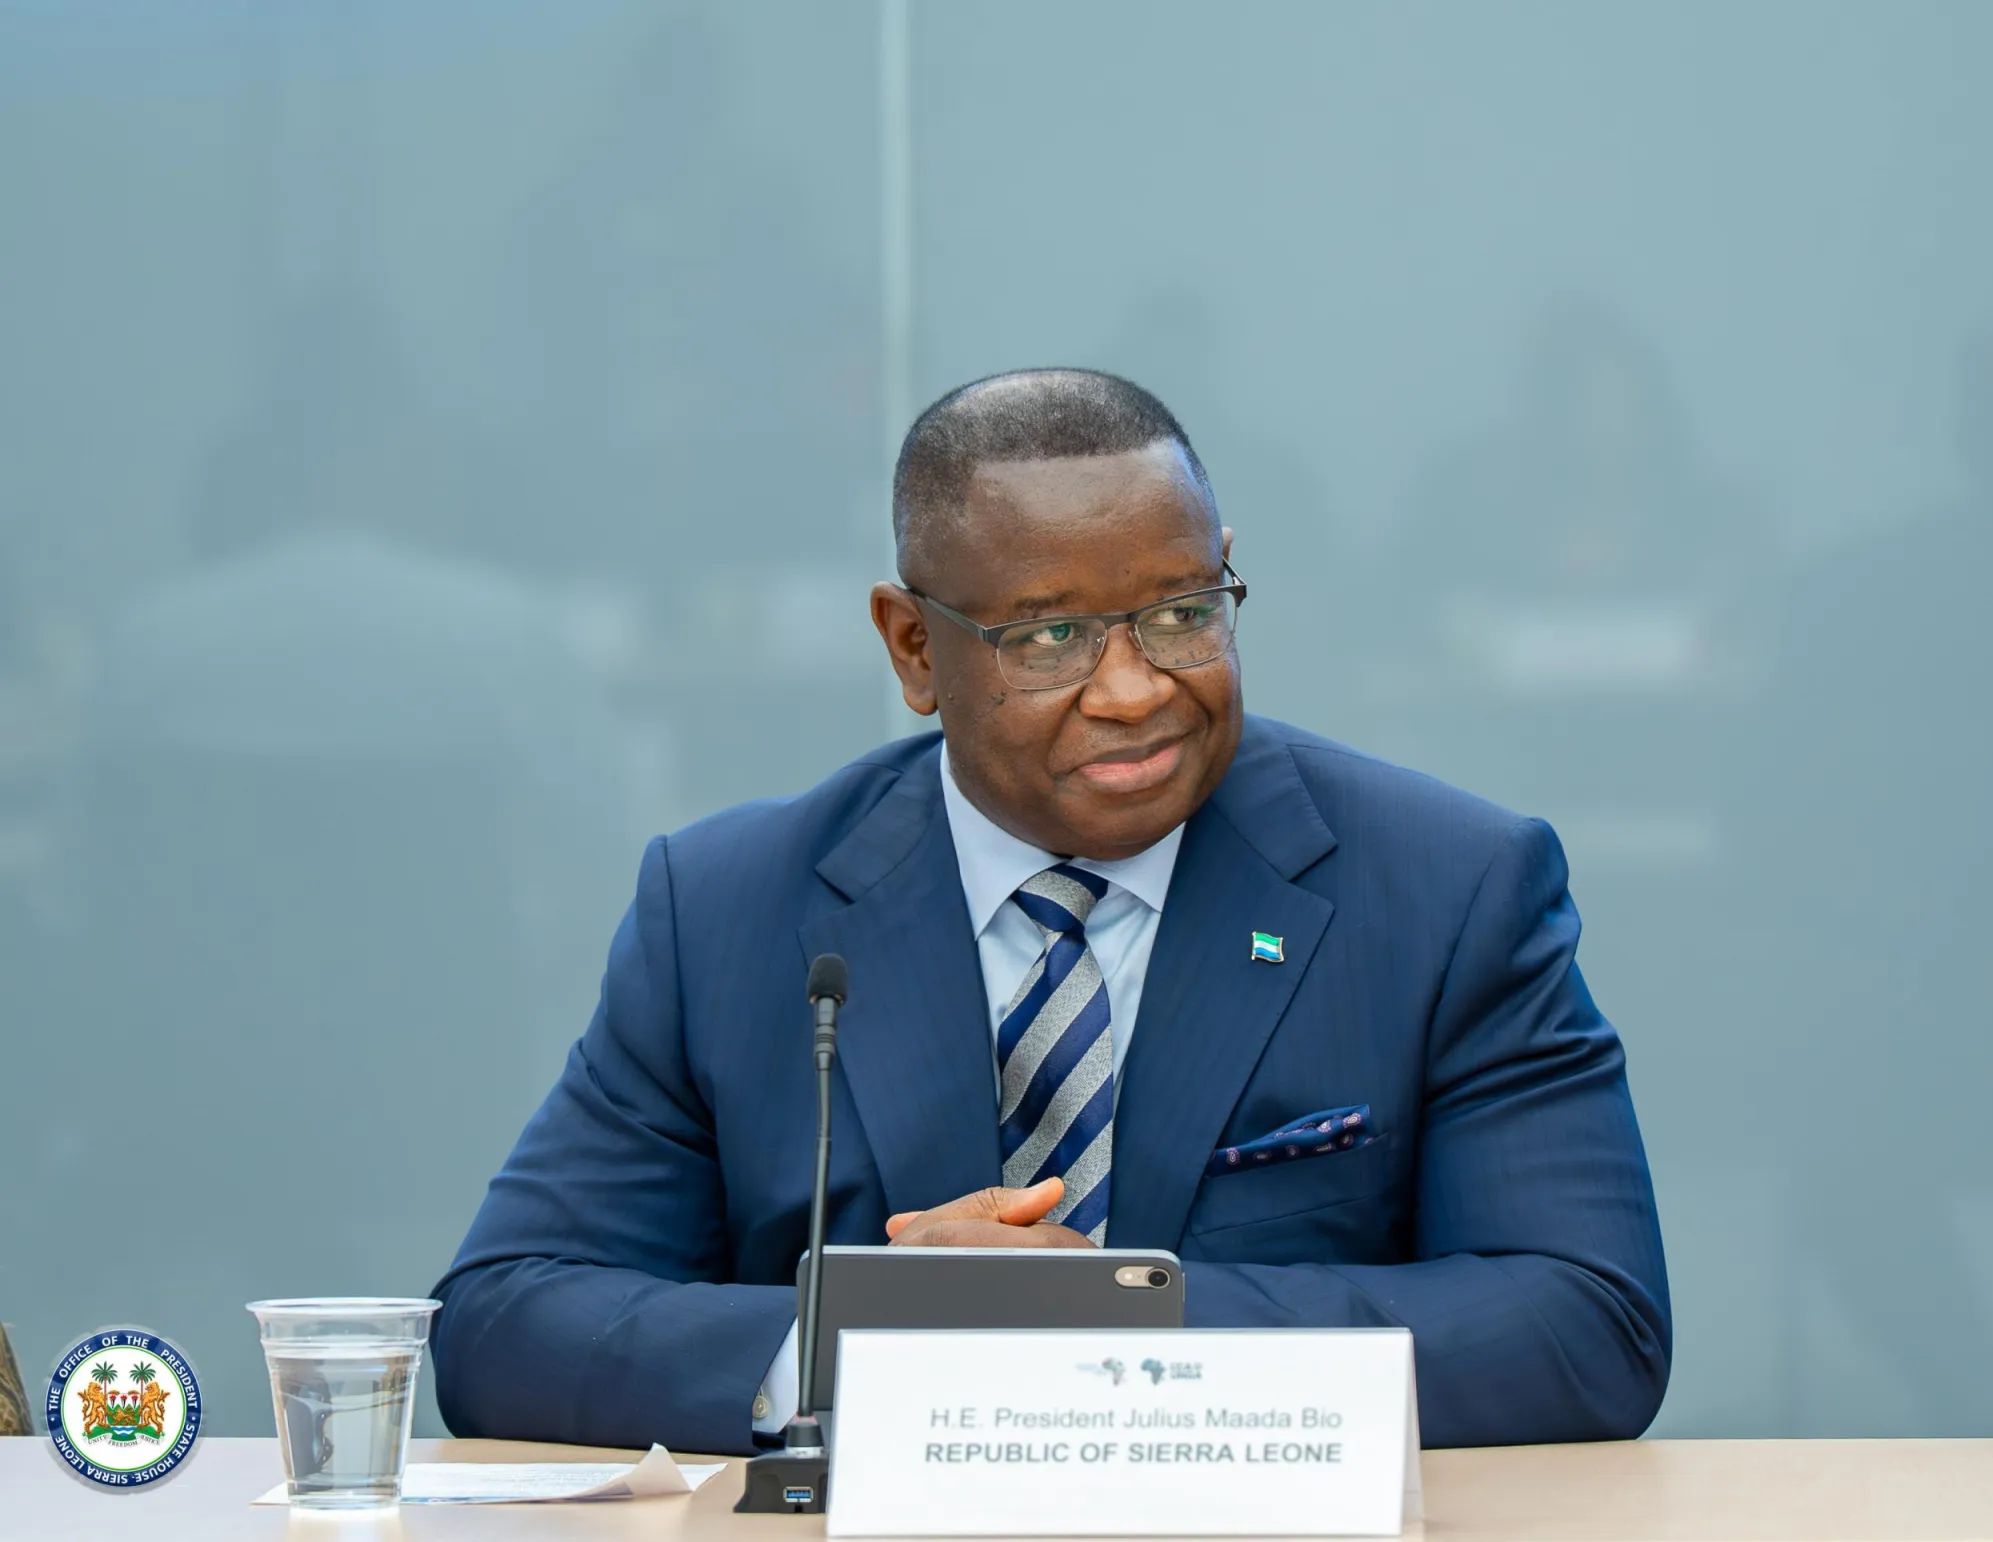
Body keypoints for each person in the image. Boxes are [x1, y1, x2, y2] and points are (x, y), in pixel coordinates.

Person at [431, 370, 1671, 1455]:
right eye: (1050, 636)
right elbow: (502, 1323)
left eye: (1182, 613)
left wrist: (1121, 1322)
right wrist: (867, 1342)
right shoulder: (726, 914)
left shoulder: (1444, 889)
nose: (1133, 690)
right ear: (914, 648)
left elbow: (1586, 1320)